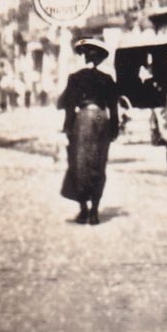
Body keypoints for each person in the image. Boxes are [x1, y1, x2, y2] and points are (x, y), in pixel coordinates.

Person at [58, 37, 120, 225]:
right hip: (101, 118)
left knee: (79, 164)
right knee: (99, 164)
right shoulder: (107, 79)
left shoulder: (75, 77)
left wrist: (68, 128)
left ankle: (83, 210)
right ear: (100, 59)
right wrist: (114, 129)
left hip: (83, 119)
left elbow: (68, 105)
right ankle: (94, 212)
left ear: (84, 56)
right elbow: (113, 107)